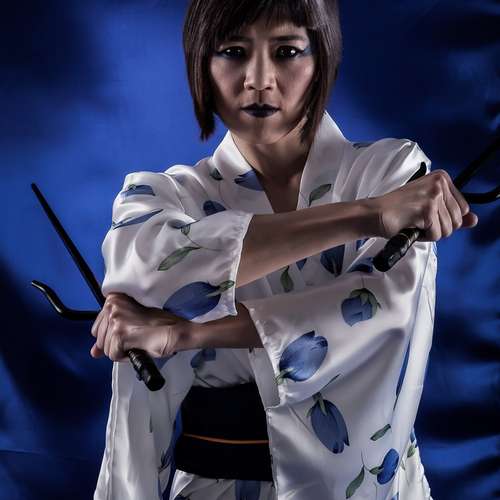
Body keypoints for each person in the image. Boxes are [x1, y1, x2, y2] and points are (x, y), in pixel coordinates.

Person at [90, 1, 479, 499]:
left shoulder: (394, 173)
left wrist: (189, 332)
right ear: (201, 62)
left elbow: (378, 312)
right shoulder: (160, 196)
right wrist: (369, 215)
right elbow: (154, 269)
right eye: (233, 51)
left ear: (322, 59)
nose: (258, 80)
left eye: (287, 51)